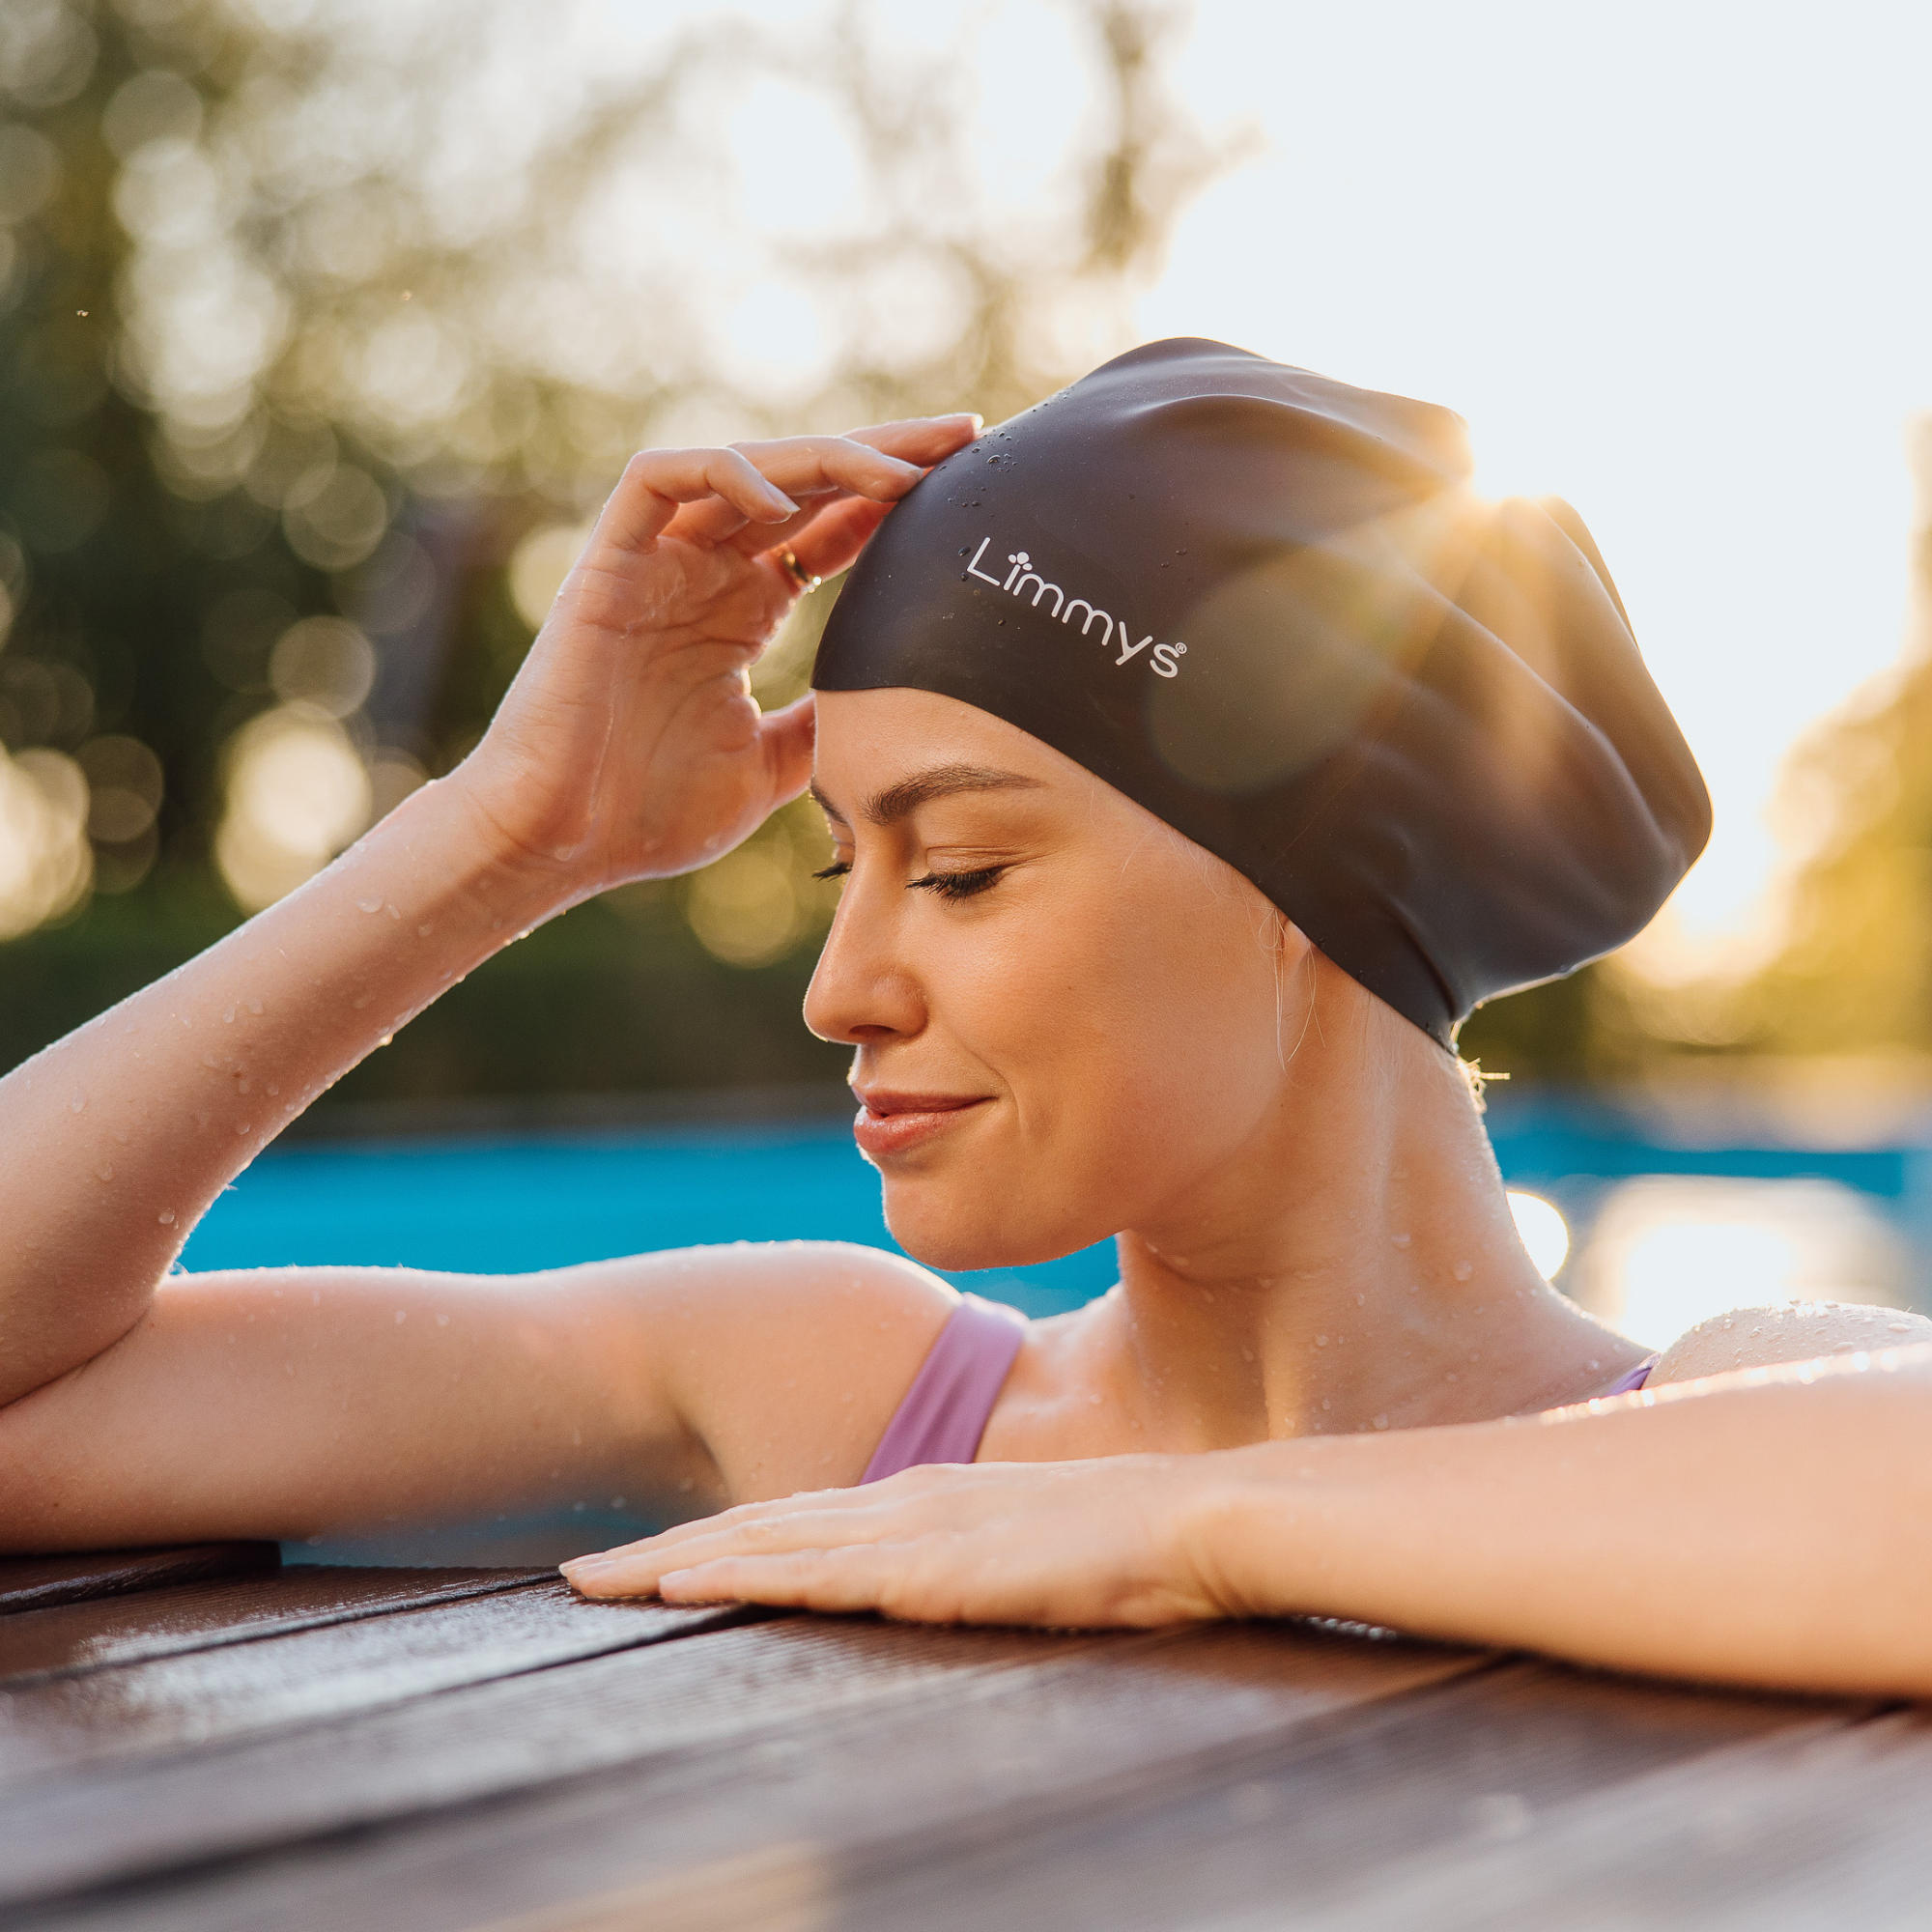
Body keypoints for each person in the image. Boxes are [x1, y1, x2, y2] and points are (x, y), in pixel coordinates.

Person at [2, 341, 1928, 1701]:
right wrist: (508, 837)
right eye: (850, 863)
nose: (842, 986)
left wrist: (1194, 1530)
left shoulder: (1719, 1406)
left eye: (968, 867)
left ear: (1300, 890)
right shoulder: (841, 1390)